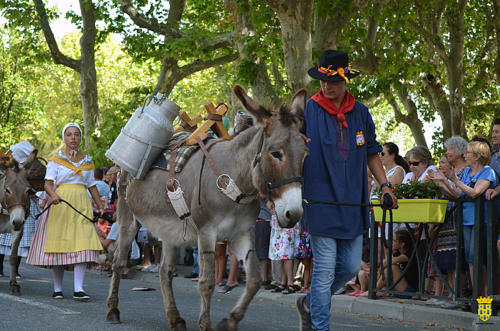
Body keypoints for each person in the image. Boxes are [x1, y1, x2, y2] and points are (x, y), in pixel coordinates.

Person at [296, 50, 397, 331]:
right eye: (323, 81)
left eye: (334, 81)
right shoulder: (307, 109)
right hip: (319, 201)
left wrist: (385, 185)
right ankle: (320, 326)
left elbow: (372, 153)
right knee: (325, 270)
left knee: (352, 268)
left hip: (354, 202)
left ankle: (310, 304)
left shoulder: (361, 112)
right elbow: (289, 146)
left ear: (345, 81)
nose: (328, 87)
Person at [26, 122, 104, 300]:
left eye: (76, 134)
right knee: (59, 246)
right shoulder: (56, 159)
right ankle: (57, 289)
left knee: (83, 244)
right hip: (60, 203)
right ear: (64, 138)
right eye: (69, 135)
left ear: (80, 138)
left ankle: (79, 289)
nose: (73, 138)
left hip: (82, 202)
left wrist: (99, 204)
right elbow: (48, 183)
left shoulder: (88, 160)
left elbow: (91, 185)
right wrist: (51, 195)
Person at [430, 141, 497, 297]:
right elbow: (458, 195)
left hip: (481, 220)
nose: (465, 155)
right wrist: (441, 181)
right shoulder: (467, 172)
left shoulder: (487, 171)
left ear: (478, 156)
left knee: (475, 258)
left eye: (468, 152)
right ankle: (478, 295)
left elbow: (475, 192)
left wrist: (453, 180)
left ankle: (481, 296)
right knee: (470, 260)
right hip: (466, 221)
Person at [0, 142, 41, 278]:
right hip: (6, 208)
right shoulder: (7, 169)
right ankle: (1, 268)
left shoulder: (30, 171)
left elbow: (38, 186)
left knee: (18, 240)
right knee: (4, 240)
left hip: (22, 208)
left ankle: (14, 270)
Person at [255, 198, 273, 287]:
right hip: (265, 219)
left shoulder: (265, 189)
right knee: (264, 249)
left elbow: (261, 195)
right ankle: (266, 276)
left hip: (264, 219)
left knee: (262, 249)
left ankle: (264, 278)